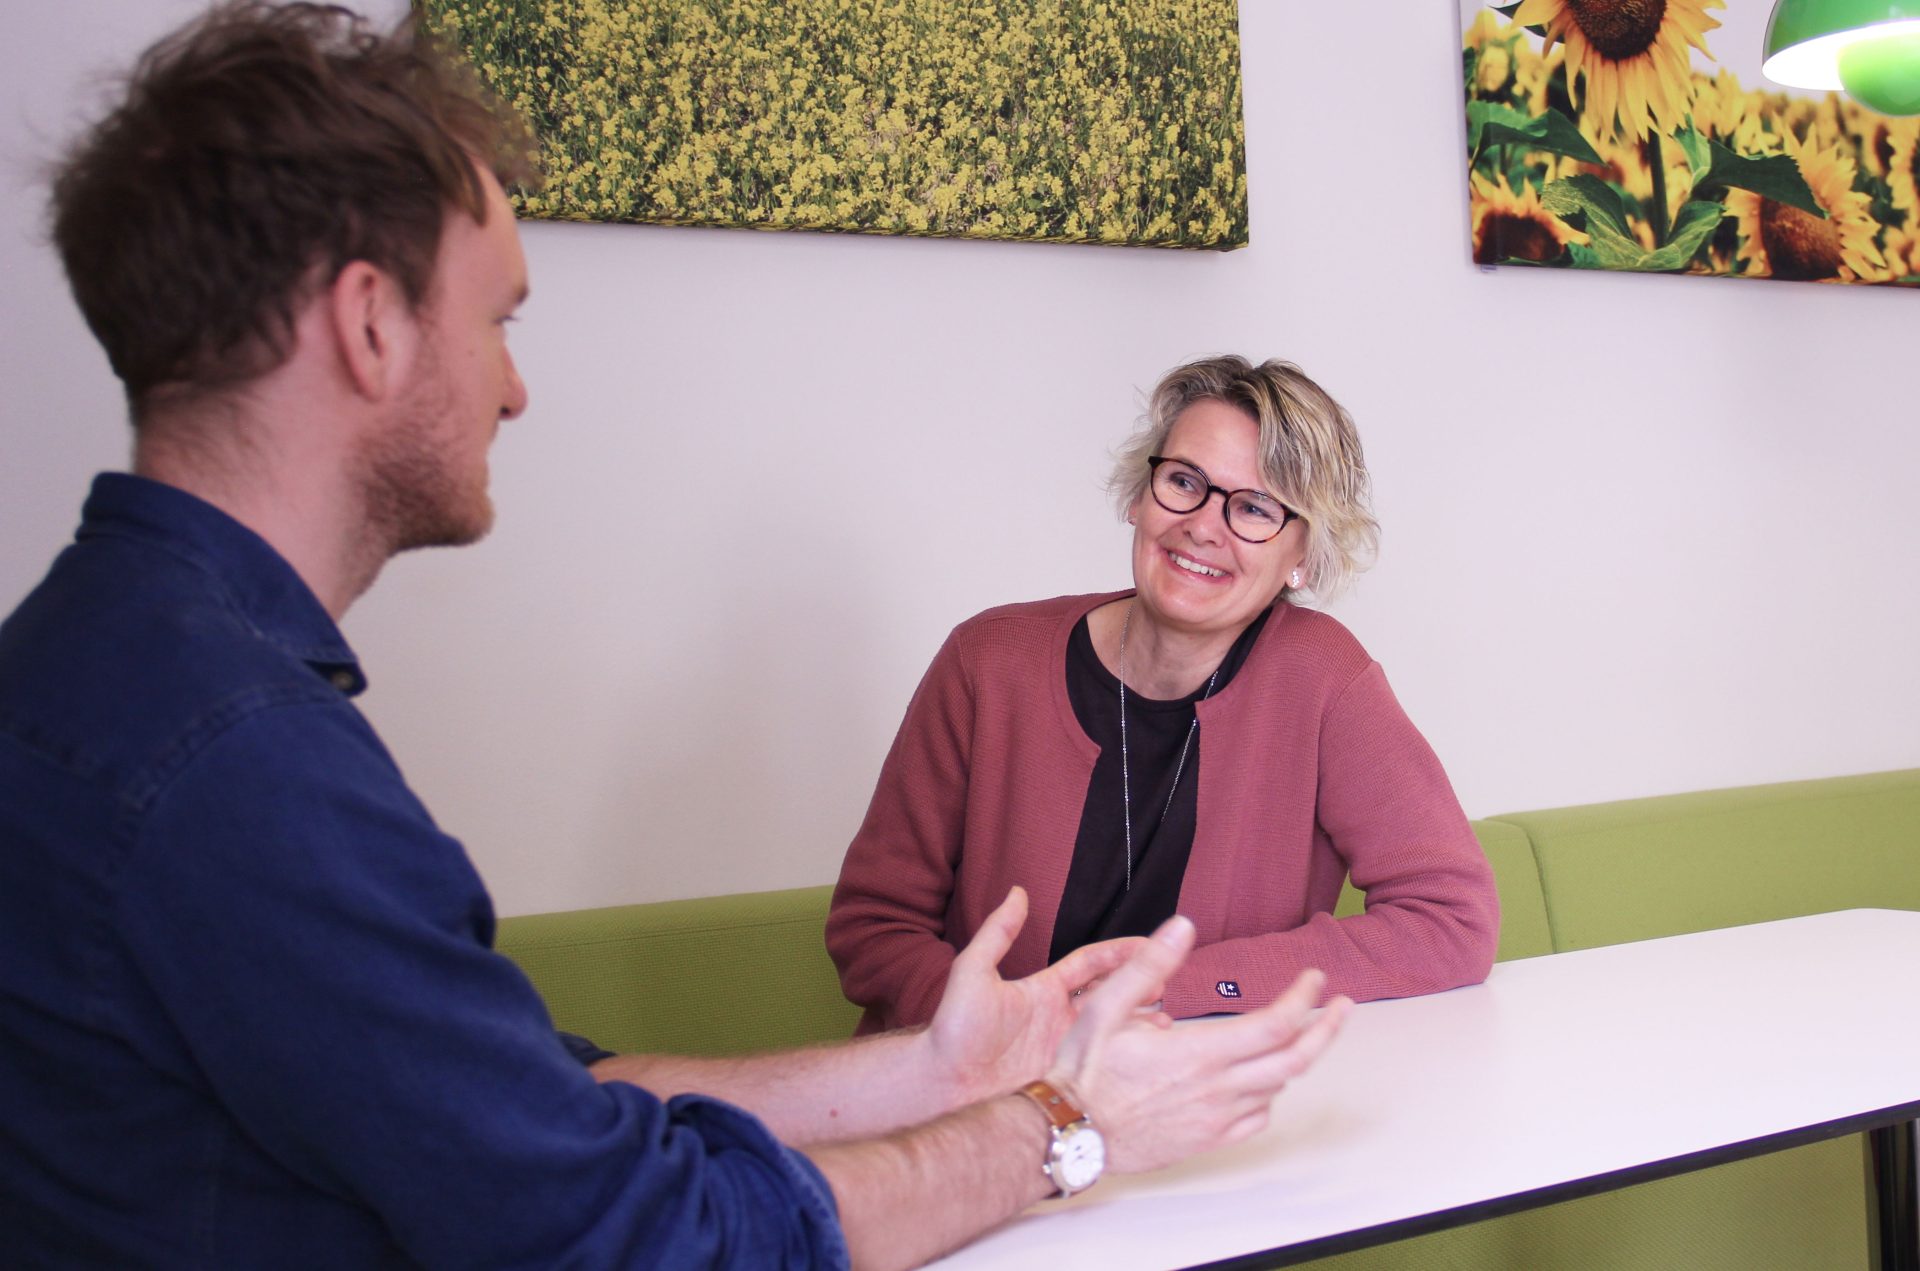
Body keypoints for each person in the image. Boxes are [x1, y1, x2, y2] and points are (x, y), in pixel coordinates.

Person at [0, 5, 1352, 1269]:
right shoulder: (235, 767)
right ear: (368, 323)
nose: (516, 387)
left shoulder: (104, 669)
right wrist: (1069, 1126)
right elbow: (651, 1230)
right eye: (497, 320)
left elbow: (556, 1095)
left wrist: (931, 1071)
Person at [826, 356, 1500, 1034]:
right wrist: (1009, 1028)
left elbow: (1452, 918)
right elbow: (873, 925)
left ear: (1302, 558)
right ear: (1139, 496)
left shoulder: (1323, 679)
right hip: (964, 1092)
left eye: (1255, 508)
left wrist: (1159, 995)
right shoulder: (987, 662)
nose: (1204, 526)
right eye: (1184, 481)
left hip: (1190, 1091)